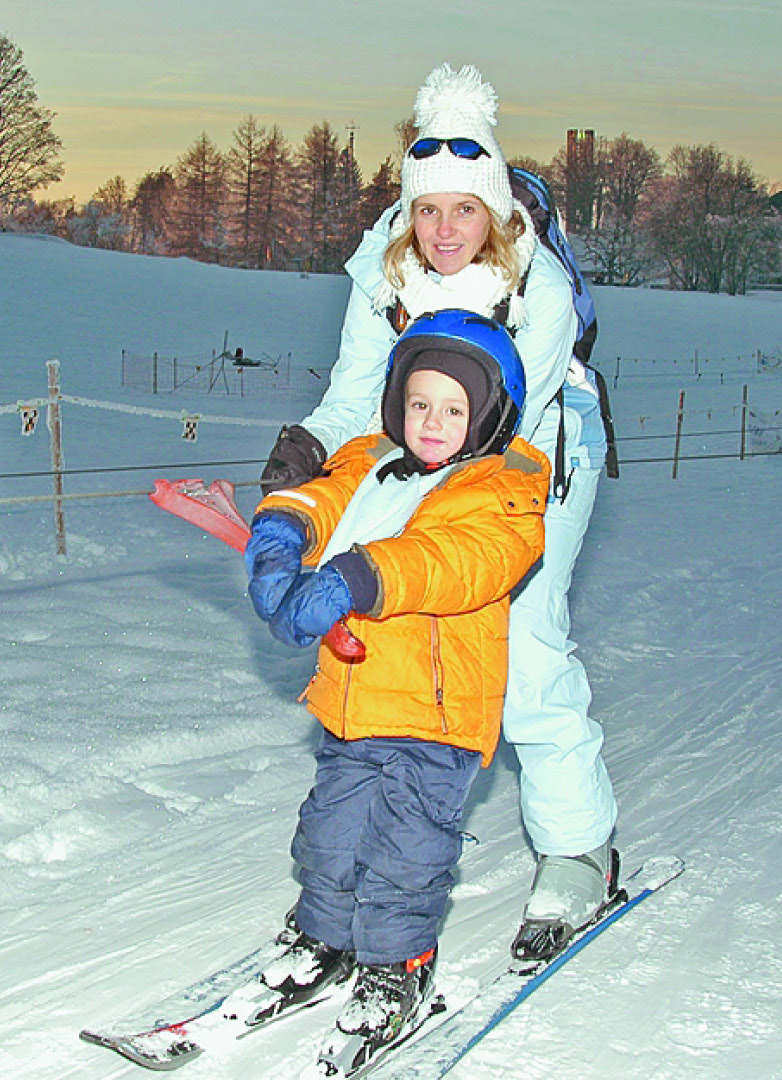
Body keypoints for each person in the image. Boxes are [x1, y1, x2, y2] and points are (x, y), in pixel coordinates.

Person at [258, 63, 620, 962]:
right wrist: (306, 463)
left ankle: (580, 848)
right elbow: (355, 394)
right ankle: (368, 840)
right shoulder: (387, 269)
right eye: (428, 210)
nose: (444, 229)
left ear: (493, 209)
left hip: (534, 448)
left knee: (519, 640)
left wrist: (390, 543)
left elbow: (504, 430)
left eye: (464, 209)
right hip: (418, 434)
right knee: (385, 627)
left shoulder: (532, 285)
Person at [233, 311, 549, 1067]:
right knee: (330, 833)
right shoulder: (373, 462)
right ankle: (323, 936)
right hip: (354, 703)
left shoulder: (506, 490)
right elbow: (321, 496)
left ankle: (397, 965)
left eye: (452, 409)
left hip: (437, 718)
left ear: (488, 415)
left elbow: (452, 559)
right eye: (418, 403)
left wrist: (356, 574)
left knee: (406, 851)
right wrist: (281, 534)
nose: (431, 423)